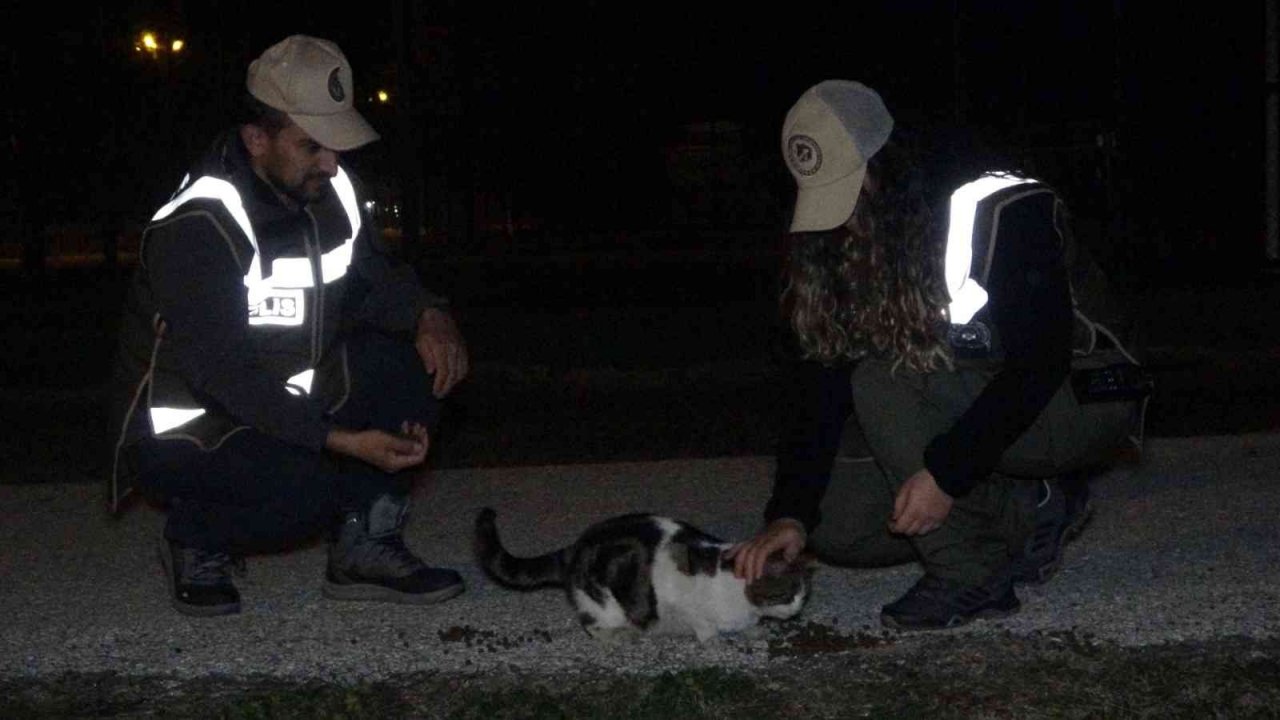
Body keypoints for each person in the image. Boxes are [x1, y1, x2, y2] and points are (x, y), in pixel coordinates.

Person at [728, 80, 1147, 630]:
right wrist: (789, 513)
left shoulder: (998, 205)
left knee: (883, 380)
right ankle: (1032, 506)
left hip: (1085, 393)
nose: (841, 221)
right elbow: (820, 386)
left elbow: (1040, 364)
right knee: (836, 525)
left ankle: (972, 575)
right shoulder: (853, 240)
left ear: (888, 166)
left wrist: (946, 474)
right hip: (978, 404)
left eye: (850, 192)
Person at [108, 35, 470, 617]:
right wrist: (342, 442)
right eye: (312, 146)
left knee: (415, 363)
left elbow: (374, 281)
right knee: (308, 490)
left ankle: (366, 544)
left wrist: (430, 315)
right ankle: (196, 536)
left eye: (336, 146)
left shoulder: (329, 187)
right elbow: (221, 372)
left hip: (284, 399)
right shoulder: (201, 221)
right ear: (257, 139)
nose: (331, 163)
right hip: (190, 428)